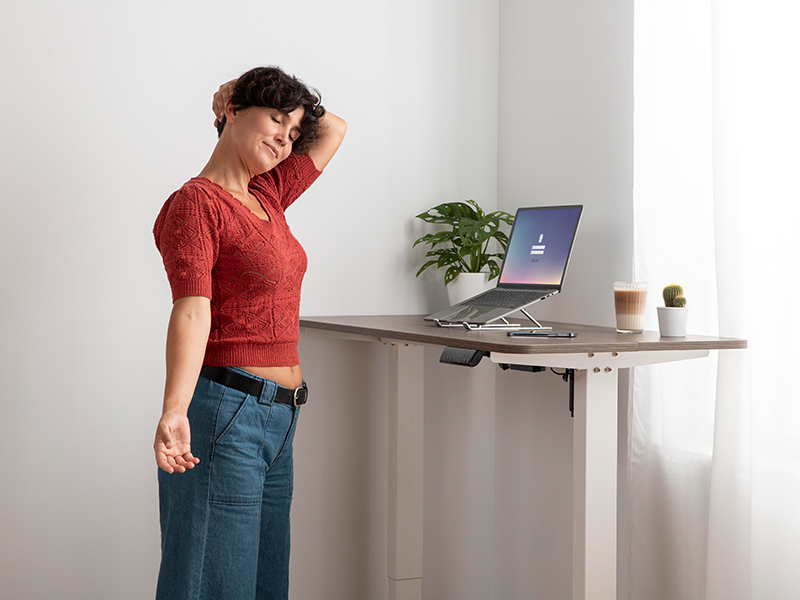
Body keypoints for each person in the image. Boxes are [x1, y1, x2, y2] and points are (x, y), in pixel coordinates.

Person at [152, 66, 346, 600]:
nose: (285, 139)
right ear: (232, 114)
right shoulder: (196, 204)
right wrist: (174, 409)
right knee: (213, 584)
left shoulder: (270, 195)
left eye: (292, 132)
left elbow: (335, 129)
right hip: (226, 414)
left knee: (263, 585)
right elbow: (193, 311)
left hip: (280, 418)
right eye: (276, 120)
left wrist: (298, 112)